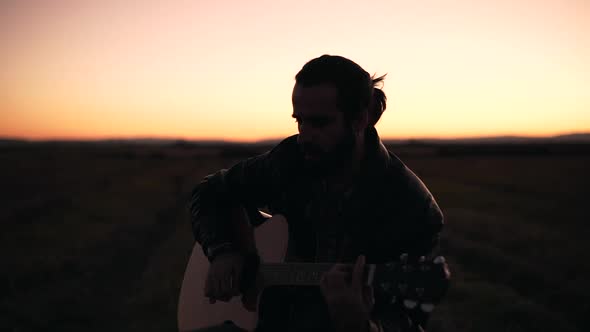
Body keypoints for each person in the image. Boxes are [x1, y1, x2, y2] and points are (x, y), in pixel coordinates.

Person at [189, 54, 448, 332]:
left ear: (360, 119)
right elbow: (209, 193)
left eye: (319, 123)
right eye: (299, 121)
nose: (304, 135)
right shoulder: (291, 159)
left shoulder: (412, 208)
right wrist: (224, 252)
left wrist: (360, 325)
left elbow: (406, 324)